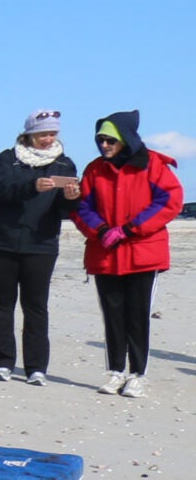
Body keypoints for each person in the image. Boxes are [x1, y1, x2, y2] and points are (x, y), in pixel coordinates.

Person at [75, 110, 182, 397]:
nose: (105, 146)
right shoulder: (95, 169)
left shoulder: (153, 166)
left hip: (142, 253)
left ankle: (138, 374)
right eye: (100, 140)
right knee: (112, 315)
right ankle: (115, 371)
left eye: (110, 140)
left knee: (137, 315)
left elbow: (170, 200)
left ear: (125, 139)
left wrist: (131, 228)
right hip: (106, 254)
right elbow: (82, 207)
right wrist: (100, 230)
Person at [0, 110, 78, 385]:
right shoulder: (7, 158)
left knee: (36, 306)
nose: (48, 139)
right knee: (1, 305)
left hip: (41, 244)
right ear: (29, 134)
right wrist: (32, 185)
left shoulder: (65, 165)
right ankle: (2, 363)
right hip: (0, 242)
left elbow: (66, 210)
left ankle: (36, 368)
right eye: (43, 133)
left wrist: (72, 198)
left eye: (52, 134)